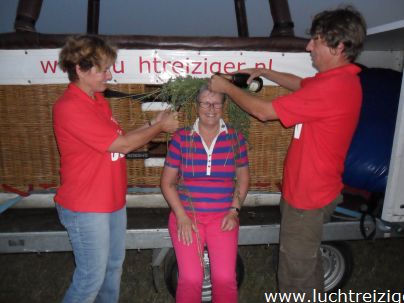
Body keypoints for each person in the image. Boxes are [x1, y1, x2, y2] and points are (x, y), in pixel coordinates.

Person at [209, 6, 366, 296]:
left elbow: (265, 112)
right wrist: (267, 72)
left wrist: (227, 88)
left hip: (309, 198)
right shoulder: (337, 80)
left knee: (295, 274)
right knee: (305, 264)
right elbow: (300, 84)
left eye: (316, 40)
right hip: (309, 191)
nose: (309, 46)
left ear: (339, 46)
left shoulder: (333, 88)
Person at [53, 35, 179, 303]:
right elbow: (121, 145)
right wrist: (159, 128)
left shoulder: (97, 101)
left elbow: (117, 141)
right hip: (85, 206)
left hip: (110, 201)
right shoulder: (70, 107)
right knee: (90, 280)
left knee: (112, 270)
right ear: (80, 69)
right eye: (103, 69)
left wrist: (151, 124)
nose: (109, 75)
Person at [161, 85, 249, 303]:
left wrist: (234, 211)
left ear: (223, 106)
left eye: (217, 103)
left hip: (223, 218)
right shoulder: (182, 138)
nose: (211, 108)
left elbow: (243, 179)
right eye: (205, 103)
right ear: (196, 106)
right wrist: (181, 217)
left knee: (225, 277)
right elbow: (167, 183)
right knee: (191, 278)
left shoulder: (235, 138)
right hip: (187, 217)